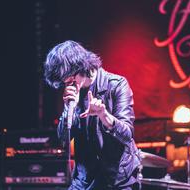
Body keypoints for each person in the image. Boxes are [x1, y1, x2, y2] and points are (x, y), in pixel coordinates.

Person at [44, 40, 141, 190]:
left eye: (69, 78)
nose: (67, 83)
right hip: (85, 178)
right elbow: (63, 139)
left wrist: (104, 115)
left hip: (116, 178)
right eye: (64, 81)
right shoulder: (72, 91)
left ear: (81, 66)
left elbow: (127, 134)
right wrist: (68, 108)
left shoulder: (116, 85)